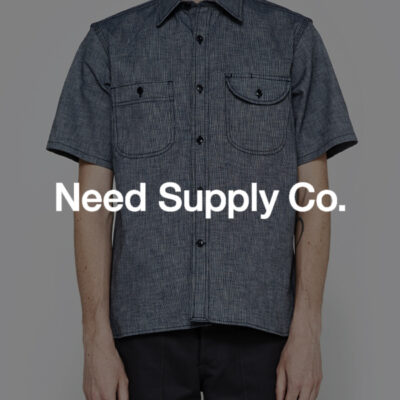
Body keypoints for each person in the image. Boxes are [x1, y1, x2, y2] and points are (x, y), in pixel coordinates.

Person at [46, 0, 357, 399]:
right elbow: (92, 209)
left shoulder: (293, 39)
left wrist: (309, 332)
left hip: (259, 328)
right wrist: (94, 341)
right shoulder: (110, 44)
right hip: (145, 327)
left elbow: (315, 202)